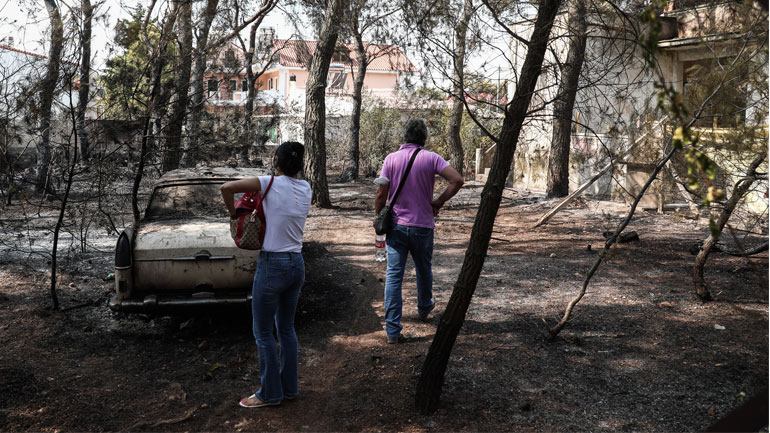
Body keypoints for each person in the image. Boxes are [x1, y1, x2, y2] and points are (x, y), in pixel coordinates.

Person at [220, 141, 311, 408]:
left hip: (273, 265)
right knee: (286, 329)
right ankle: (289, 389)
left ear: (277, 162)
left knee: (262, 332)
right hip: (297, 263)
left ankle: (270, 394)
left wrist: (233, 212)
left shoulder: (267, 182)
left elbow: (227, 188)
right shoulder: (306, 188)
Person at [374, 119, 464, 344]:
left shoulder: (391, 159)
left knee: (394, 276)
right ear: (424, 138)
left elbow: (381, 193)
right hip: (423, 226)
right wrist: (439, 201)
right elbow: (457, 180)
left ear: (405, 136)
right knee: (424, 269)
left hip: (396, 226)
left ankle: (393, 331)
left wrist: (378, 215)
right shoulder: (432, 158)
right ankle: (424, 308)